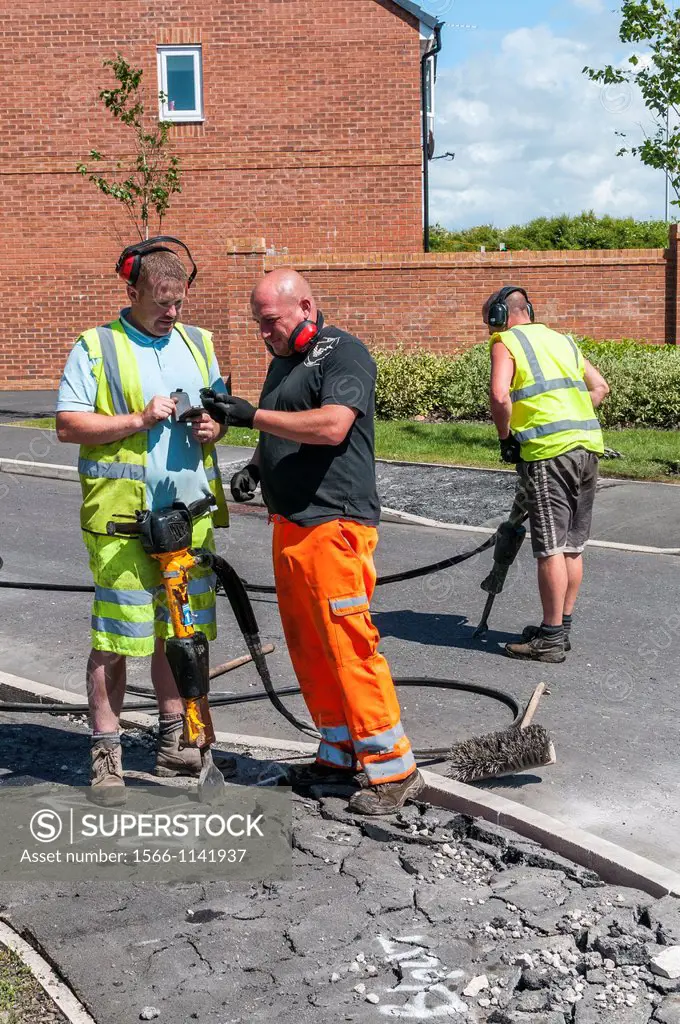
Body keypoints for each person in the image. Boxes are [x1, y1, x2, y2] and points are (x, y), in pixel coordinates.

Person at [201, 268, 422, 815]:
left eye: (270, 320)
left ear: (305, 305)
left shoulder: (343, 354)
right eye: (258, 323)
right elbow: (284, 424)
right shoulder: (284, 360)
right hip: (291, 522)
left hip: (334, 522)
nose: (263, 332)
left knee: (348, 642)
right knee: (309, 643)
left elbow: (331, 426)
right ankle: (339, 751)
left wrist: (252, 416)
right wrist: (256, 463)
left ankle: (394, 768)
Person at [56, 238, 229, 805]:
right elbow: (68, 425)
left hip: (189, 518)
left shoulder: (199, 343)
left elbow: (219, 411)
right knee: (115, 640)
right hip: (123, 523)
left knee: (178, 632)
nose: (172, 313)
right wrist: (137, 417)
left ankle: (174, 737)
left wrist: (215, 430)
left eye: (179, 301)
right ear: (131, 292)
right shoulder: (96, 346)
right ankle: (106, 754)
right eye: (160, 302)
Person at [484, 285, 609, 663]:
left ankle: (550, 640)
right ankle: (561, 627)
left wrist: (506, 437)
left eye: (490, 323)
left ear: (500, 317)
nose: (490, 331)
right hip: (588, 448)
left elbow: (500, 396)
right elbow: (599, 387)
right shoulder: (563, 341)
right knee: (572, 545)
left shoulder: (506, 342)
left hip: (548, 455)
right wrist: (568, 416)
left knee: (550, 547)